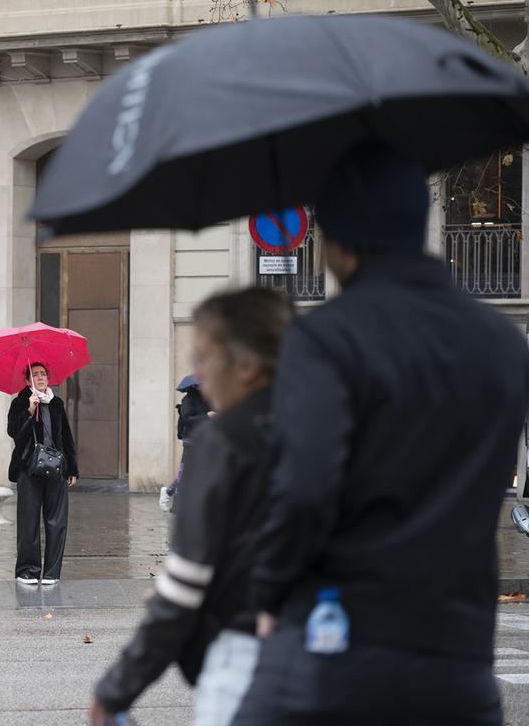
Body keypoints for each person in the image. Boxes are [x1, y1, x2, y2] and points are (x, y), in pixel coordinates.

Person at [231, 143, 529, 726]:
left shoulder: (324, 341)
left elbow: (303, 492)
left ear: (335, 238)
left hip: (345, 650)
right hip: (459, 656)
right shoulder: (502, 343)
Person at [90, 288, 292, 726]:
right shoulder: (333, 429)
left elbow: (186, 583)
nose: (199, 373)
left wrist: (116, 689)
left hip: (246, 664)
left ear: (246, 364)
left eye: (205, 357)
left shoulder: (225, 444)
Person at [7, 363, 78, 586]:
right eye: (35, 375)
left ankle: (51, 573)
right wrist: (29, 410)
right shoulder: (20, 402)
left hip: (56, 469)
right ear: (28, 381)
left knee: (57, 522)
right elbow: (14, 432)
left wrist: (72, 468)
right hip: (29, 470)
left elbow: (66, 437)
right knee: (28, 523)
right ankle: (27, 571)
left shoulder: (56, 404)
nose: (40, 378)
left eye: (43, 374)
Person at [159, 379, 213, 512]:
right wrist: (207, 416)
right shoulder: (188, 400)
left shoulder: (208, 399)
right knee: (186, 473)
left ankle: (171, 493)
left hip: (205, 439)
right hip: (191, 440)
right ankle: (173, 499)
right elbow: (187, 420)